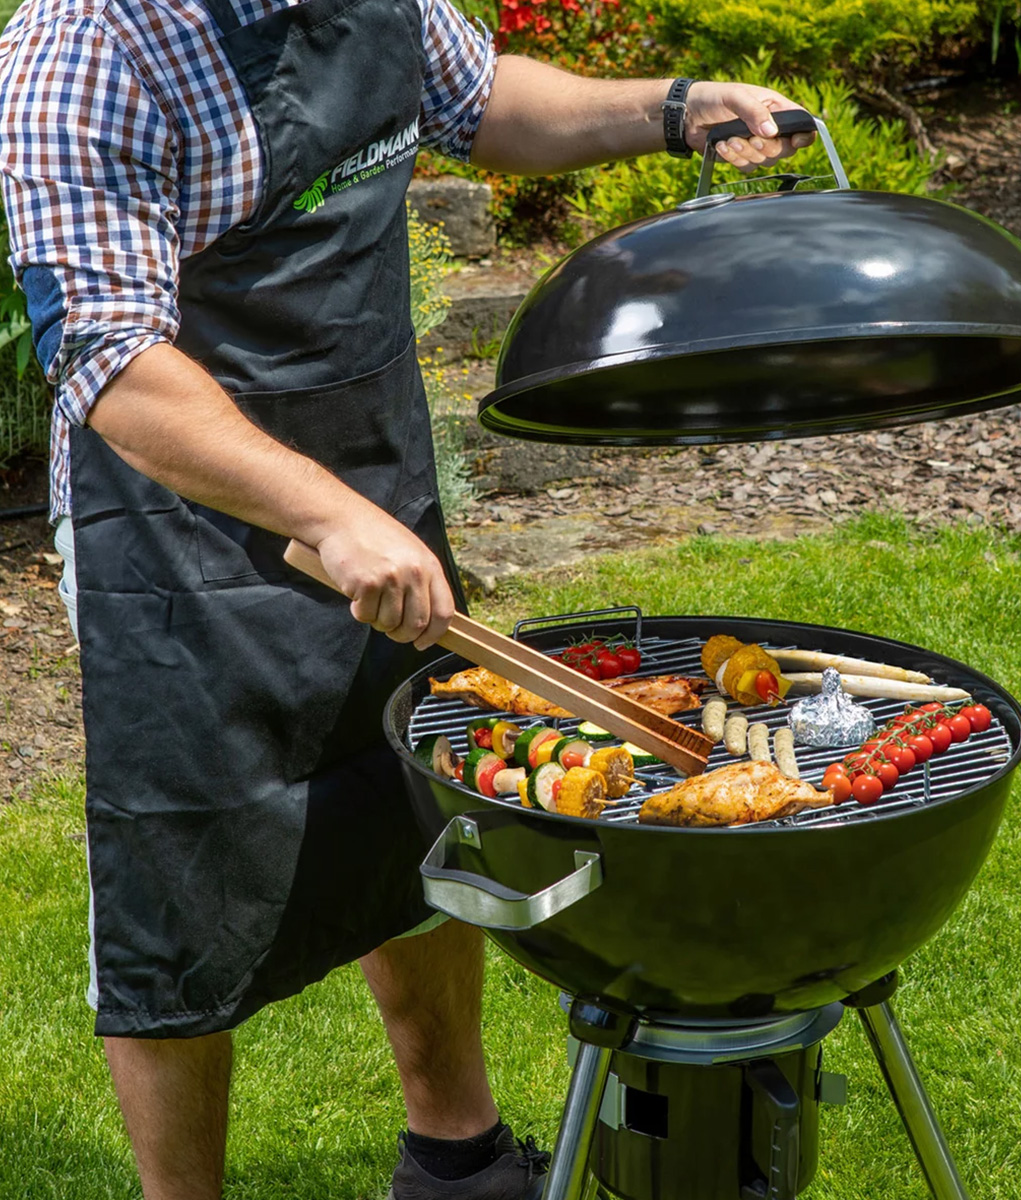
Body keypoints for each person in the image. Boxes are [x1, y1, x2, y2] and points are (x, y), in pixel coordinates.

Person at [0, 1, 813, 1196]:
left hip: (371, 472)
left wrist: (676, 107)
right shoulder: (86, 50)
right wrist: (323, 515)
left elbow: (483, 102)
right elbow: (112, 357)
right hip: (178, 532)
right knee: (180, 875)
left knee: (415, 802)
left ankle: (456, 1157)